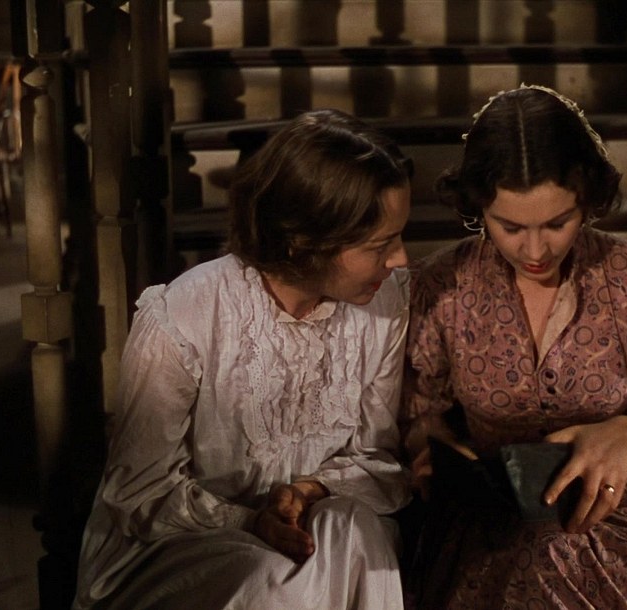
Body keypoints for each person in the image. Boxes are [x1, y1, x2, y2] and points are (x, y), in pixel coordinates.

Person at [402, 85, 627, 609]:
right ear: (479, 204)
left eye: (557, 223)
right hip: (494, 524)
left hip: (625, 518)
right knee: (532, 562)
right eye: (509, 226)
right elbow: (421, 418)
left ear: (588, 198)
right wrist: (434, 454)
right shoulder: (442, 286)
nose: (534, 249)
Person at [74, 109, 413, 610]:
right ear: (304, 242)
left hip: (313, 526)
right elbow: (140, 494)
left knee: (356, 533)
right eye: (380, 244)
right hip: (186, 541)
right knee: (267, 583)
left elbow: (375, 457)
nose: (401, 259)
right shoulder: (185, 316)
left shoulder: (384, 301)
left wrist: (308, 490)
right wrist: (249, 521)